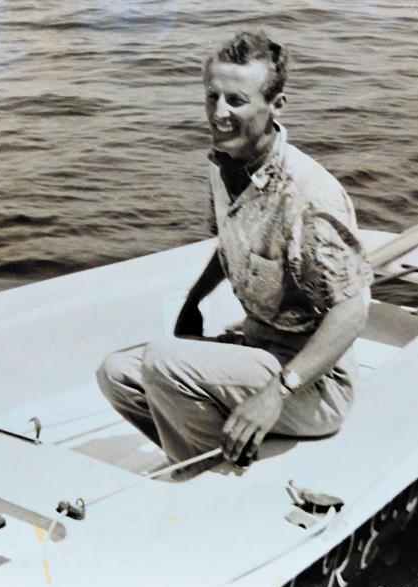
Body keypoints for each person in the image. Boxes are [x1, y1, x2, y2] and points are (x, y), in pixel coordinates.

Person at [97, 30, 373, 468]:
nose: (219, 114)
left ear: (275, 105)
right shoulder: (226, 163)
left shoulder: (308, 195)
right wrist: (194, 300)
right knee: (117, 374)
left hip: (314, 383)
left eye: (237, 101)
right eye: (213, 97)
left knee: (164, 362)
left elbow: (352, 311)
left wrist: (277, 393)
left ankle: (212, 482)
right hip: (257, 346)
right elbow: (233, 241)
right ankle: (202, 461)